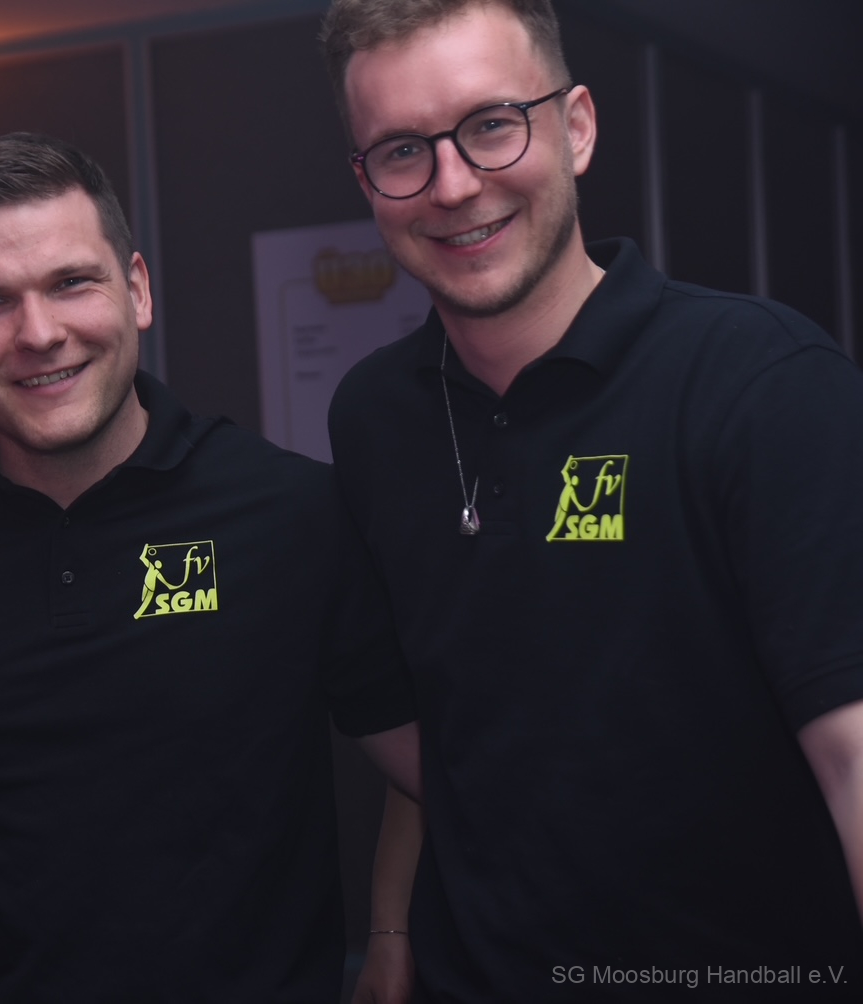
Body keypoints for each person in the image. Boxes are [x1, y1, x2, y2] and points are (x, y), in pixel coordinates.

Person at [321, 0, 863, 999]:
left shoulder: (761, 380)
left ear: (575, 127)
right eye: (402, 150)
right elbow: (443, 724)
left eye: (492, 125)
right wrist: (390, 928)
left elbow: (853, 756)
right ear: (367, 183)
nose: (452, 185)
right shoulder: (372, 417)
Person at [0, 132, 421, 1003]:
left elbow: (441, 764)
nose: (39, 334)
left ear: (136, 290)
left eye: (71, 283)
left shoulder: (291, 514)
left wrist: (392, 933)